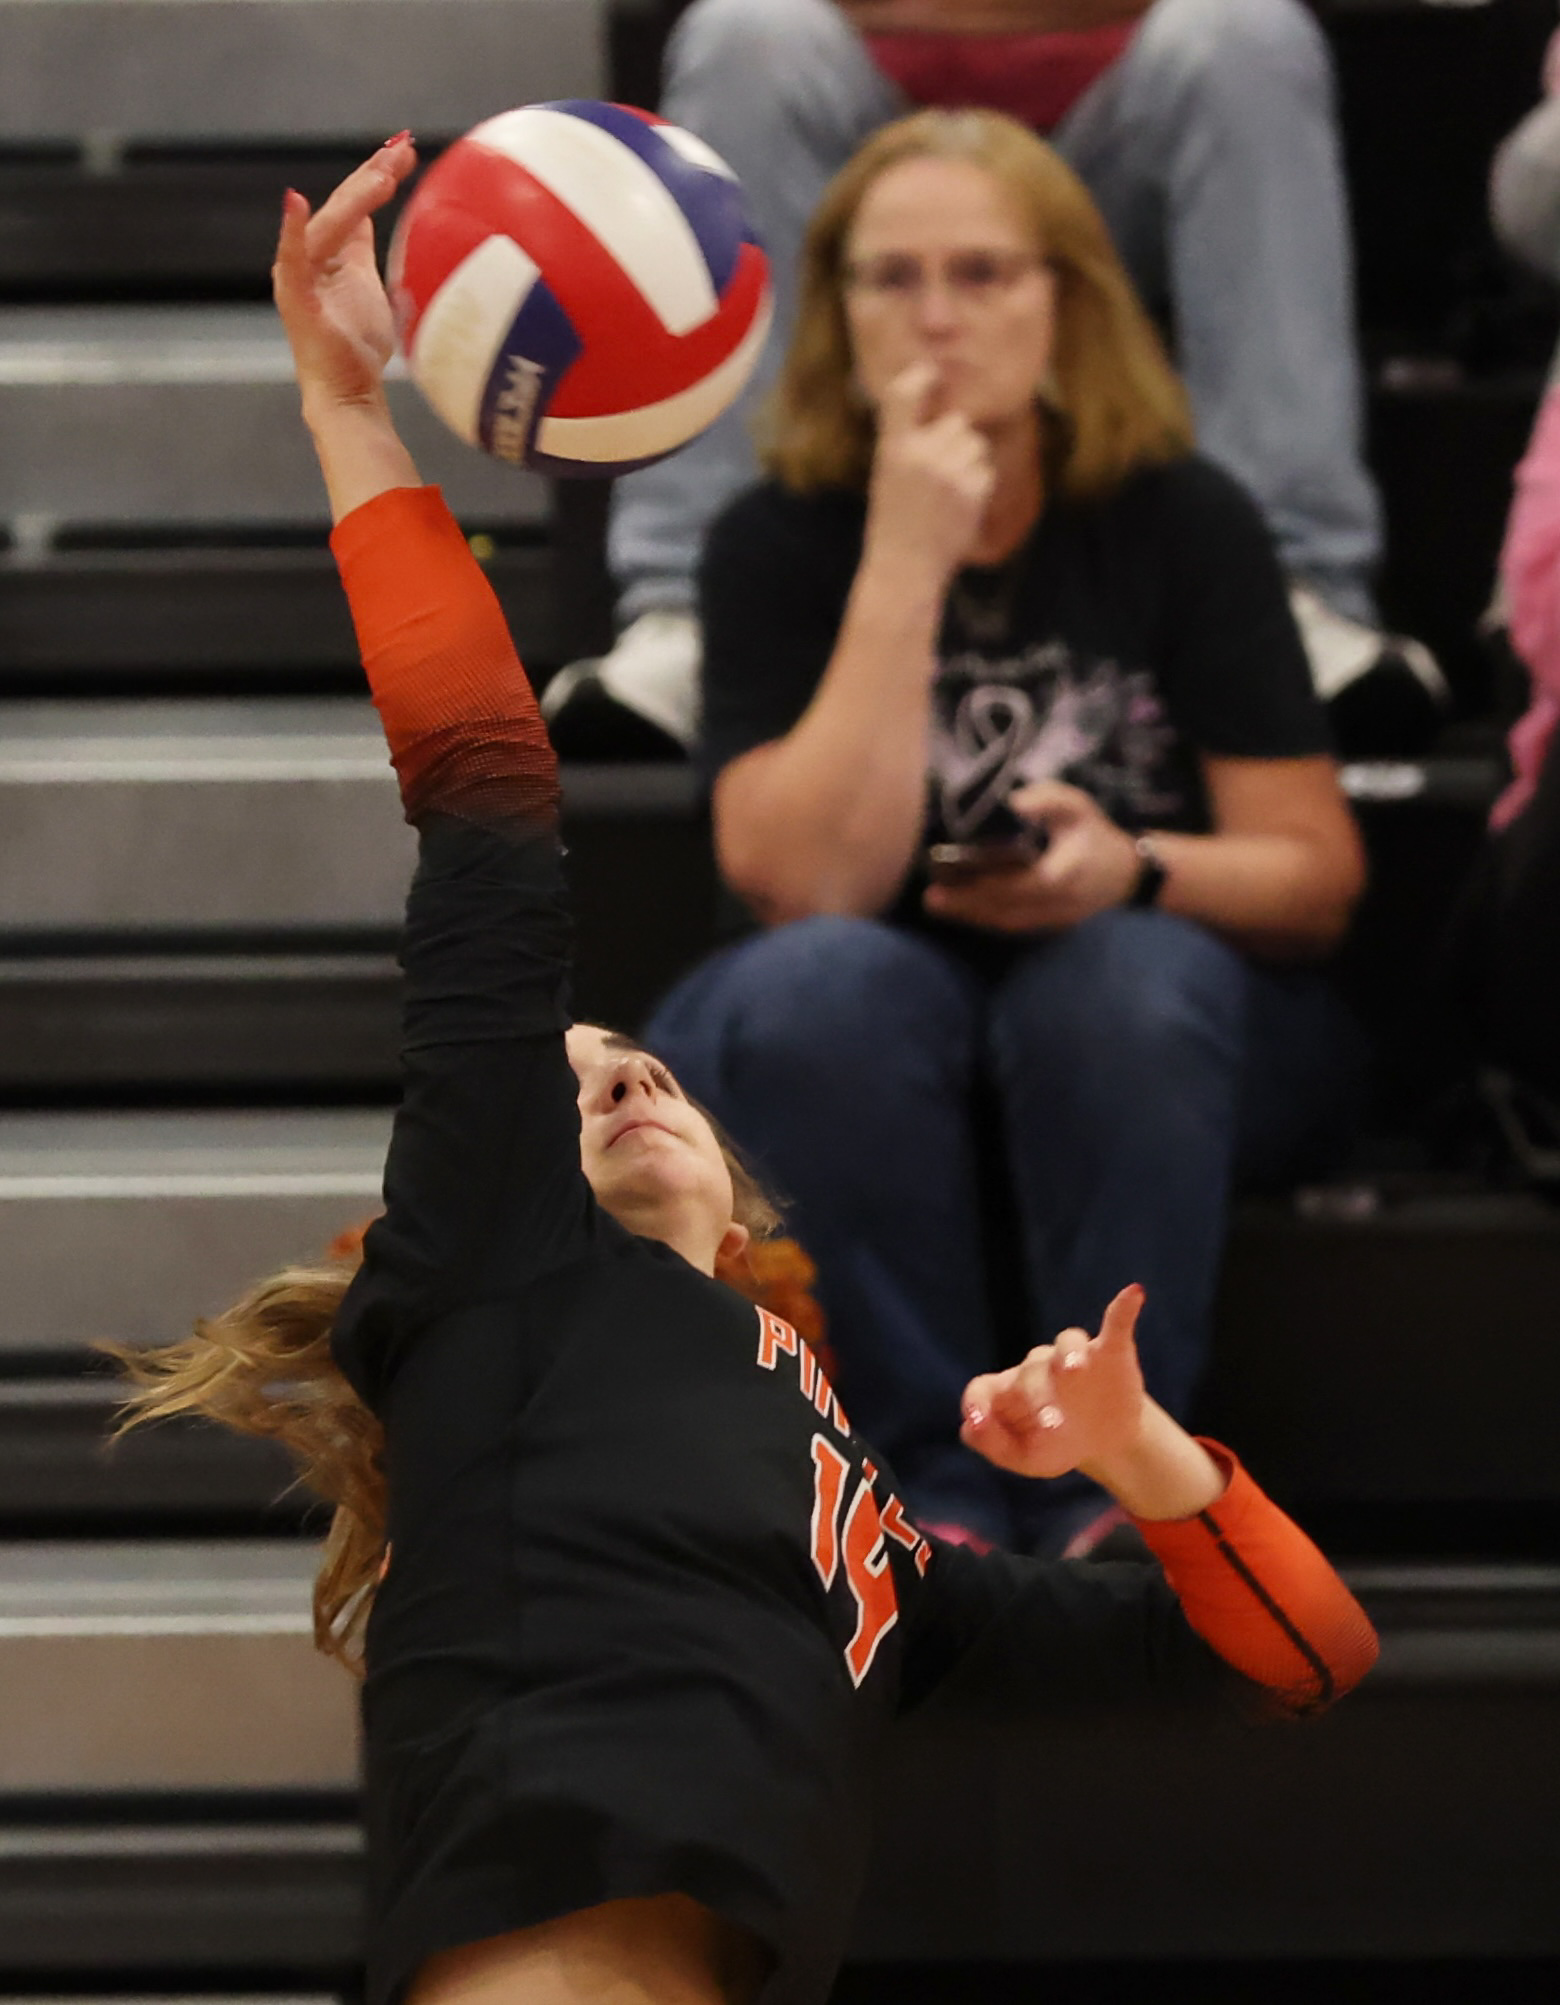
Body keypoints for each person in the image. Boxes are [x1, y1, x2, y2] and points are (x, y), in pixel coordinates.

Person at [112, 142, 1379, 2005]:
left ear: (742, 1199)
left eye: (639, 1064)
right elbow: (486, 797)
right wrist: (350, 410)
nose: (614, 1081)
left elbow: (1302, 1660)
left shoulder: (872, 1543)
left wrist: (1144, 1453)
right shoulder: (504, 1273)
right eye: (563, 1085)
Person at [644, 108, 1370, 1557]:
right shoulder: (776, 541)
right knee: (822, 987)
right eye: (893, 279)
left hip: (1137, 1022)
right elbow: (803, 883)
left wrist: (1135, 870)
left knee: (1123, 982)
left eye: (982, 275)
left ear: (1066, 305)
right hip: (854, 1034)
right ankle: (927, 1488)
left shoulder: (1182, 521)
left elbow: (1315, 877)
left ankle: (1114, 1477)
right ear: (838, 315)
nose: (938, 318)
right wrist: (907, 554)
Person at [543, 0, 1445, 762]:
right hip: (867, 147)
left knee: (1247, 35)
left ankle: (1287, 594)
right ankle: (689, 610)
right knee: (745, 34)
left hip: (1115, 145)